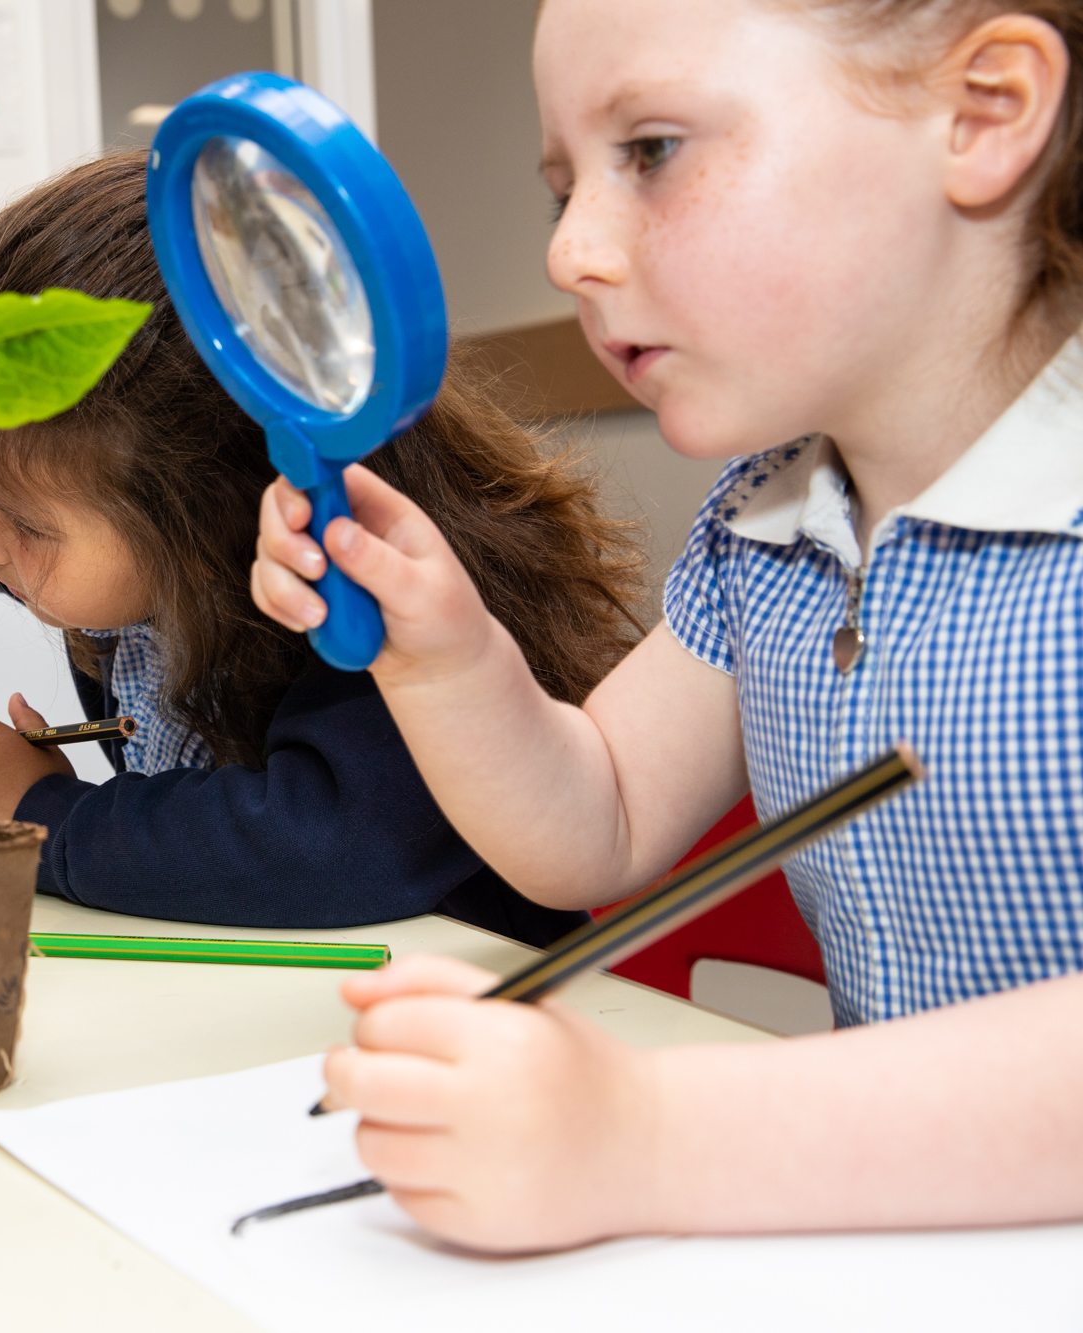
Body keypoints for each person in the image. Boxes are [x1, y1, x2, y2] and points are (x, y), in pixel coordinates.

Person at [254, 0, 1083, 1251]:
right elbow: (595, 824)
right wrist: (442, 654)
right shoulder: (764, 521)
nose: (569, 251)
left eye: (649, 151)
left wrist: (643, 1130)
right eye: (560, 190)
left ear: (982, 114)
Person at [0, 151, 645, 943]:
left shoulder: (364, 603)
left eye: (25, 525)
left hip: (469, 1007)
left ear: (206, 524)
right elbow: (42, 528)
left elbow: (326, 845)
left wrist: (45, 821)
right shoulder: (159, 556)